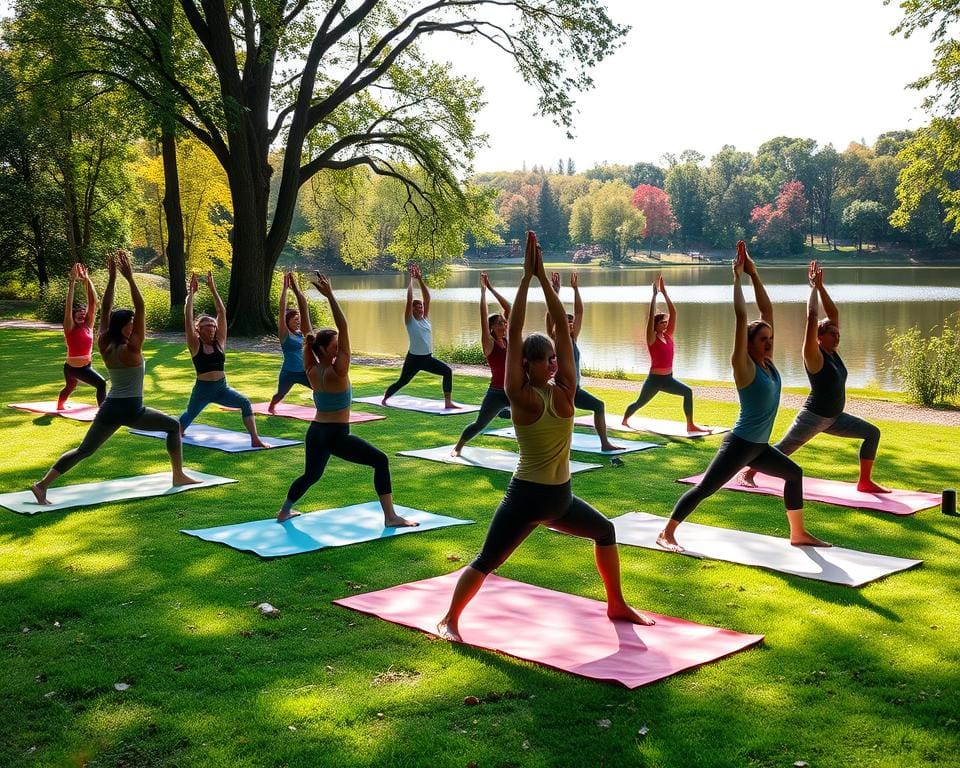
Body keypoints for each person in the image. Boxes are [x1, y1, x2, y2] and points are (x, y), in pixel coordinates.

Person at [437, 232, 653, 642]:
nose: (555, 363)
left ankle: (616, 603)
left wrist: (546, 284)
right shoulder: (520, 397)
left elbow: (563, 334)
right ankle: (449, 619)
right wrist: (524, 280)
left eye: (556, 357)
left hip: (561, 498)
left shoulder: (565, 390)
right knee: (486, 560)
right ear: (527, 365)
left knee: (605, 531)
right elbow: (515, 330)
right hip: (525, 498)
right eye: (547, 360)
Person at [656, 241, 830, 553]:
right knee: (706, 488)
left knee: (794, 474)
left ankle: (798, 533)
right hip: (740, 444)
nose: (768, 343)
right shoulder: (744, 367)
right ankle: (667, 532)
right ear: (749, 343)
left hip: (759, 447)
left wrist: (754, 273)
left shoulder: (768, 362)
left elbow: (768, 311)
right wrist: (736, 279)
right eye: (763, 339)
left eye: (770, 339)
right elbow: (741, 317)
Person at [31, 252, 197, 504]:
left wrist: (111, 279)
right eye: (131, 323)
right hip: (132, 409)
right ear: (124, 326)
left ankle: (42, 485)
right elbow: (140, 307)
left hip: (110, 408)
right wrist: (129, 279)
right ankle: (178, 475)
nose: (135, 325)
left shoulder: (104, 343)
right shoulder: (133, 347)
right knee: (173, 426)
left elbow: (105, 309)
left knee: (84, 450)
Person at [277, 273, 418, 527]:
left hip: (316, 431)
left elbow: (310, 335)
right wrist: (330, 295)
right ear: (326, 350)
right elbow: (343, 326)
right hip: (336, 434)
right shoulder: (338, 371)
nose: (340, 346)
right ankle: (390, 517)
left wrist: (301, 297)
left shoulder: (311, 367)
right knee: (380, 461)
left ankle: (285, 510)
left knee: (311, 475)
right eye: (336, 346)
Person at [737, 261, 888, 493]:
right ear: (819, 337)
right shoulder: (813, 355)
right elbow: (812, 316)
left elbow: (834, 313)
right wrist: (812, 289)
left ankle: (864, 482)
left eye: (838, 333)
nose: (837, 337)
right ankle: (748, 471)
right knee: (783, 449)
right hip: (814, 417)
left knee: (872, 433)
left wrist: (821, 285)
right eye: (832, 334)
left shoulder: (833, 353)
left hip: (835, 417)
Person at [179, 271, 267, 448]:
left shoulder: (220, 342)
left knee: (245, 402)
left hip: (222, 388)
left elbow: (221, 312)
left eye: (213, 325)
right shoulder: (195, 345)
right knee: (187, 417)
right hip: (202, 390)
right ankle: (177, 431)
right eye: (206, 327)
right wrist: (190, 295)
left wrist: (213, 289)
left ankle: (255, 439)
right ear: (199, 330)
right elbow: (188, 318)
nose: (211, 328)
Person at [545, 272, 621, 452]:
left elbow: (579, 312)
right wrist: (555, 293)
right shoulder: (556, 338)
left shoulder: (573, 340)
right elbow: (551, 316)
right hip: (562, 389)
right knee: (562, 418)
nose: (571, 324)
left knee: (598, 406)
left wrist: (576, 289)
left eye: (572, 322)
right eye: (567, 321)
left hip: (575, 389)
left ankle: (604, 443)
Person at [621, 274, 705, 432]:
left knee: (687, 392)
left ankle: (690, 424)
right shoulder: (651, 338)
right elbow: (649, 321)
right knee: (639, 403)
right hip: (654, 380)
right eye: (662, 322)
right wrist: (654, 297)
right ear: (656, 324)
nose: (666, 324)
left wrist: (665, 294)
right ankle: (625, 420)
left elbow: (674, 313)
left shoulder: (668, 335)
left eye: (666, 322)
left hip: (668, 379)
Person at [451, 272, 511, 456]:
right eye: (499, 323)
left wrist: (492, 288)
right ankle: (458, 446)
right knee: (480, 424)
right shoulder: (489, 344)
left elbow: (509, 308)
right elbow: (483, 316)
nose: (504, 325)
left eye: (504, 322)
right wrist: (483, 292)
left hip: (514, 390)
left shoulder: (508, 340)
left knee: (532, 416)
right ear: (492, 327)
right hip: (496, 392)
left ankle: (507, 414)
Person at [381, 264, 457, 408]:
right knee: (403, 381)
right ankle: (385, 398)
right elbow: (409, 299)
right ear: (412, 310)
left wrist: (420, 278)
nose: (421, 308)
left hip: (427, 358)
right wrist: (411, 280)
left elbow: (427, 298)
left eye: (421, 307)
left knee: (447, 372)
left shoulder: (425, 319)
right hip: (414, 359)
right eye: (418, 307)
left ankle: (448, 403)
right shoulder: (410, 321)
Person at [57, 262, 107, 409]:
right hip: (74, 368)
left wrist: (87, 280)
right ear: (73, 316)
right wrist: (72, 282)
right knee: (101, 384)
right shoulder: (70, 327)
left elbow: (93, 302)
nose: (81, 315)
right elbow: (68, 305)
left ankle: (60, 406)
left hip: (79, 366)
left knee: (70, 387)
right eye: (78, 314)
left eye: (83, 314)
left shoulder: (88, 326)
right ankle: (103, 413)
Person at [267, 272, 312, 413]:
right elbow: (281, 310)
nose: (298, 321)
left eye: (298, 319)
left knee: (320, 388)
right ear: (288, 322)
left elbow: (304, 307)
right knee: (280, 394)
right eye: (295, 319)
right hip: (289, 372)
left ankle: (323, 410)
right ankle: (272, 406)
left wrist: (296, 287)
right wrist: (285, 289)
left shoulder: (302, 334)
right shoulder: (284, 335)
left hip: (304, 372)